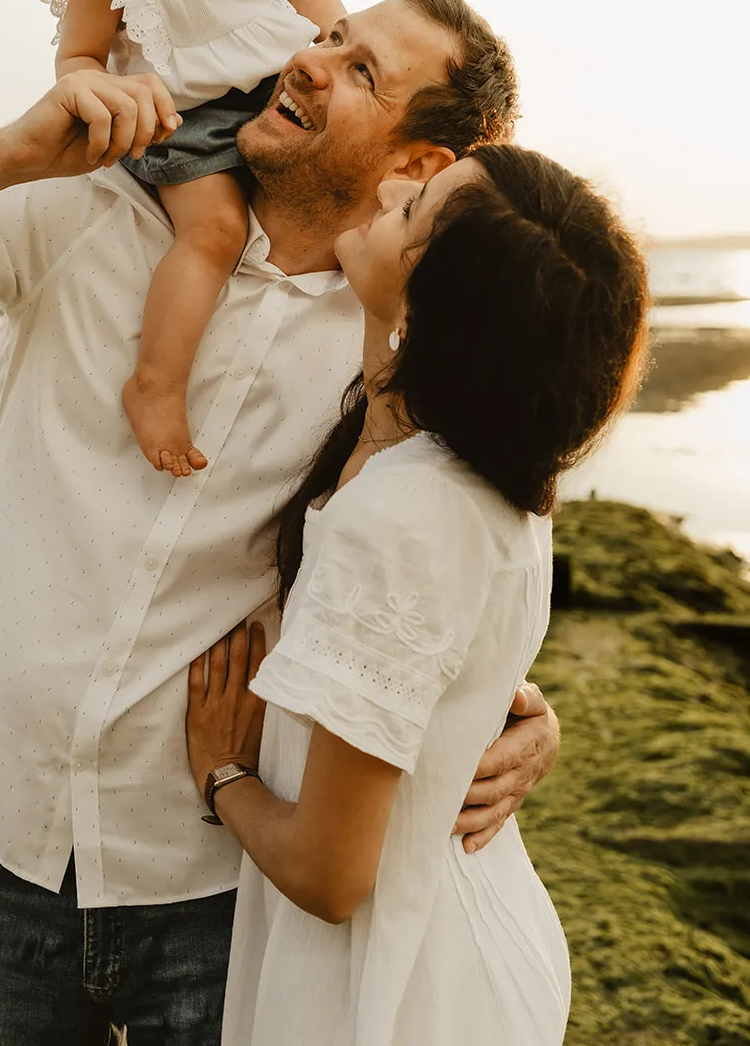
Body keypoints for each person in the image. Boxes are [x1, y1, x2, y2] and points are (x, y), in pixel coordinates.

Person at [0, 0, 558, 1046]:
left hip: (219, 885)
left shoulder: (407, 343)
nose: (309, 61)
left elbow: (451, 563)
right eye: (327, 36)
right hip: (7, 841)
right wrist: (3, 151)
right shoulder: (88, 207)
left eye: (362, 73)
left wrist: (514, 707)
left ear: (417, 164)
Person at [186, 146, 648, 1045]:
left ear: (442, 315)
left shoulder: (402, 513)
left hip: (394, 988)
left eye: (414, 209)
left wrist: (219, 769)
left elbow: (329, 876)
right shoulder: (483, 468)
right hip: (455, 931)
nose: (391, 185)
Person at [37, 0, 342, 477]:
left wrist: (340, 47)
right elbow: (77, 60)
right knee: (216, 235)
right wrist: (95, 92)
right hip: (189, 116)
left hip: (279, 86)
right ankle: (156, 384)